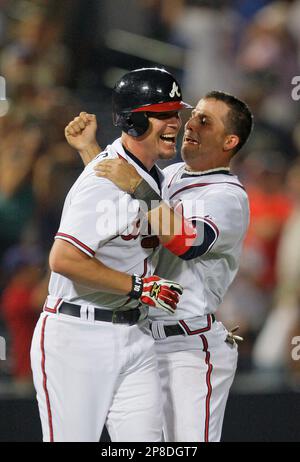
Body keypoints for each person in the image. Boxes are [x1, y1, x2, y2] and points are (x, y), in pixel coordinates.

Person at [67, 85, 253, 442]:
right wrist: (90, 150)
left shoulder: (227, 196)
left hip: (189, 347)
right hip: (141, 339)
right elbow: (120, 200)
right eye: (193, 115)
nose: (190, 125)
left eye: (204, 121)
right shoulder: (171, 175)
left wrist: (137, 184)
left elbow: (187, 243)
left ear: (230, 142)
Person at [30, 68, 189, 442]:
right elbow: (63, 259)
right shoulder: (104, 181)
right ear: (133, 122)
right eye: (163, 114)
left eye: (176, 113)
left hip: (134, 335)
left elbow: (121, 214)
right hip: (78, 338)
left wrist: (88, 149)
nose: (175, 123)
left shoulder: (146, 174)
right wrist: (139, 287)